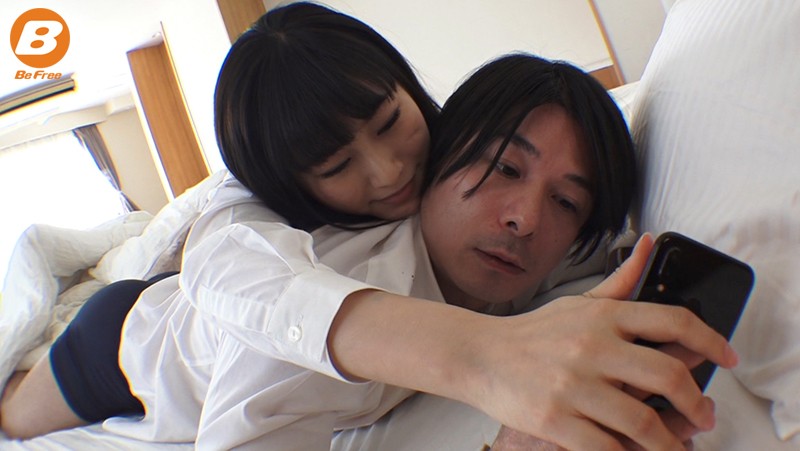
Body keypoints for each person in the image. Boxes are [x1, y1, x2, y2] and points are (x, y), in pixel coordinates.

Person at [1, 6, 736, 451]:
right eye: (504, 168)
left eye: (390, 122)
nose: (389, 173)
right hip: (123, 343)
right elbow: (226, 251)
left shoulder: (513, 223)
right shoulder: (303, 302)